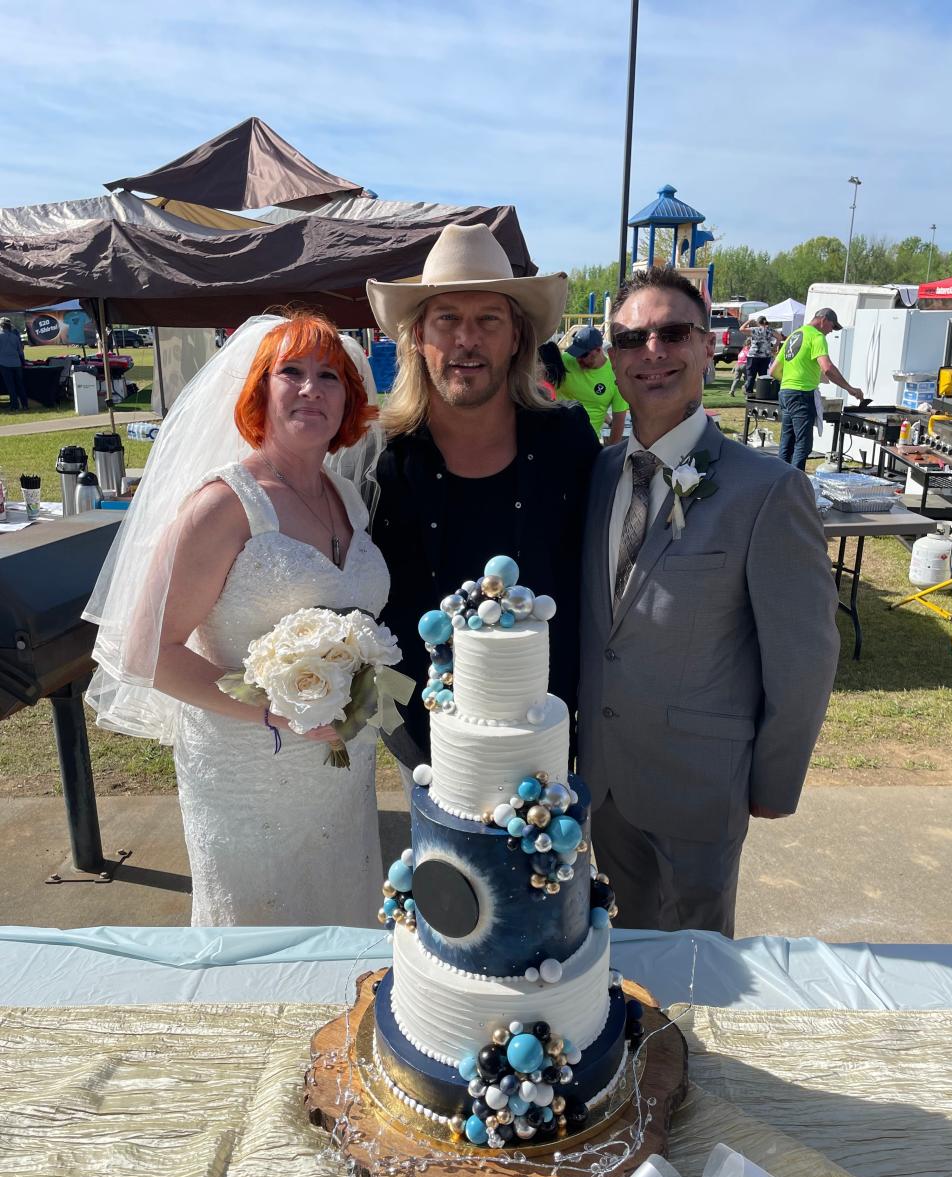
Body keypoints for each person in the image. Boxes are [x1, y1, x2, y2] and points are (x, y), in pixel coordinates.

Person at [84, 312, 391, 927]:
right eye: (292, 373)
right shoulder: (224, 505)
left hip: (337, 768)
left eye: (330, 376)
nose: (311, 389)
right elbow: (151, 651)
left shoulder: (347, 498)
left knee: (341, 914)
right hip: (247, 771)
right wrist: (271, 710)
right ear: (260, 390)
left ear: (349, 399)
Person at [579, 265, 840, 936]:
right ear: (612, 357)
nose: (653, 352)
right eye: (632, 339)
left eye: (673, 333)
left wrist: (773, 781)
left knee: (697, 974)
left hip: (700, 786)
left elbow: (804, 654)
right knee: (626, 954)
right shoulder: (596, 475)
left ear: (708, 346)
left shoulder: (770, 491)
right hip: (603, 783)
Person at [366, 223, 600, 778]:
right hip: (424, 738)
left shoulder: (567, 441)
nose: (466, 339)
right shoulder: (383, 461)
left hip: (549, 737)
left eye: (487, 320)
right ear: (418, 337)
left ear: (517, 336)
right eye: (447, 319)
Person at [770, 307, 864, 469]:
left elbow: (774, 371)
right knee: (803, 444)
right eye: (832, 326)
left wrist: (791, 381)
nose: (831, 331)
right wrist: (850, 388)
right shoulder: (817, 337)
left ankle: (780, 482)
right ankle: (795, 486)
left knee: (787, 442)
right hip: (802, 395)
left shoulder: (795, 335)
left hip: (786, 392)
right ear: (823, 320)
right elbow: (827, 368)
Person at [555, 325, 629, 444]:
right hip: (554, 436)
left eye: (584, 355)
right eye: (576, 354)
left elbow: (619, 421)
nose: (579, 359)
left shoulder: (615, 377)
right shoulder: (565, 361)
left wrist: (610, 454)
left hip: (586, 444)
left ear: (598, 350)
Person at [738, 315, 779, 397]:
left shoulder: (754, 330)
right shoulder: (770, 330)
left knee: (751, 375)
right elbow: (780, 338)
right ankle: (763, 392)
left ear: (758, 322)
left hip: (753, 355)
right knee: (763, 375)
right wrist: (774, 347)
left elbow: (741, 329)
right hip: (765, 356)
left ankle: (749, 392)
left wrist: (749, 321)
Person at [0, 318, 28, 412]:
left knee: (10, 386)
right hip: (17, 363)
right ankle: (25, 405)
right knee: (20, 385)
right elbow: (20, 352)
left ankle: (15, 406)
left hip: (4, 364)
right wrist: (23, 362)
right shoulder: (15, 337)